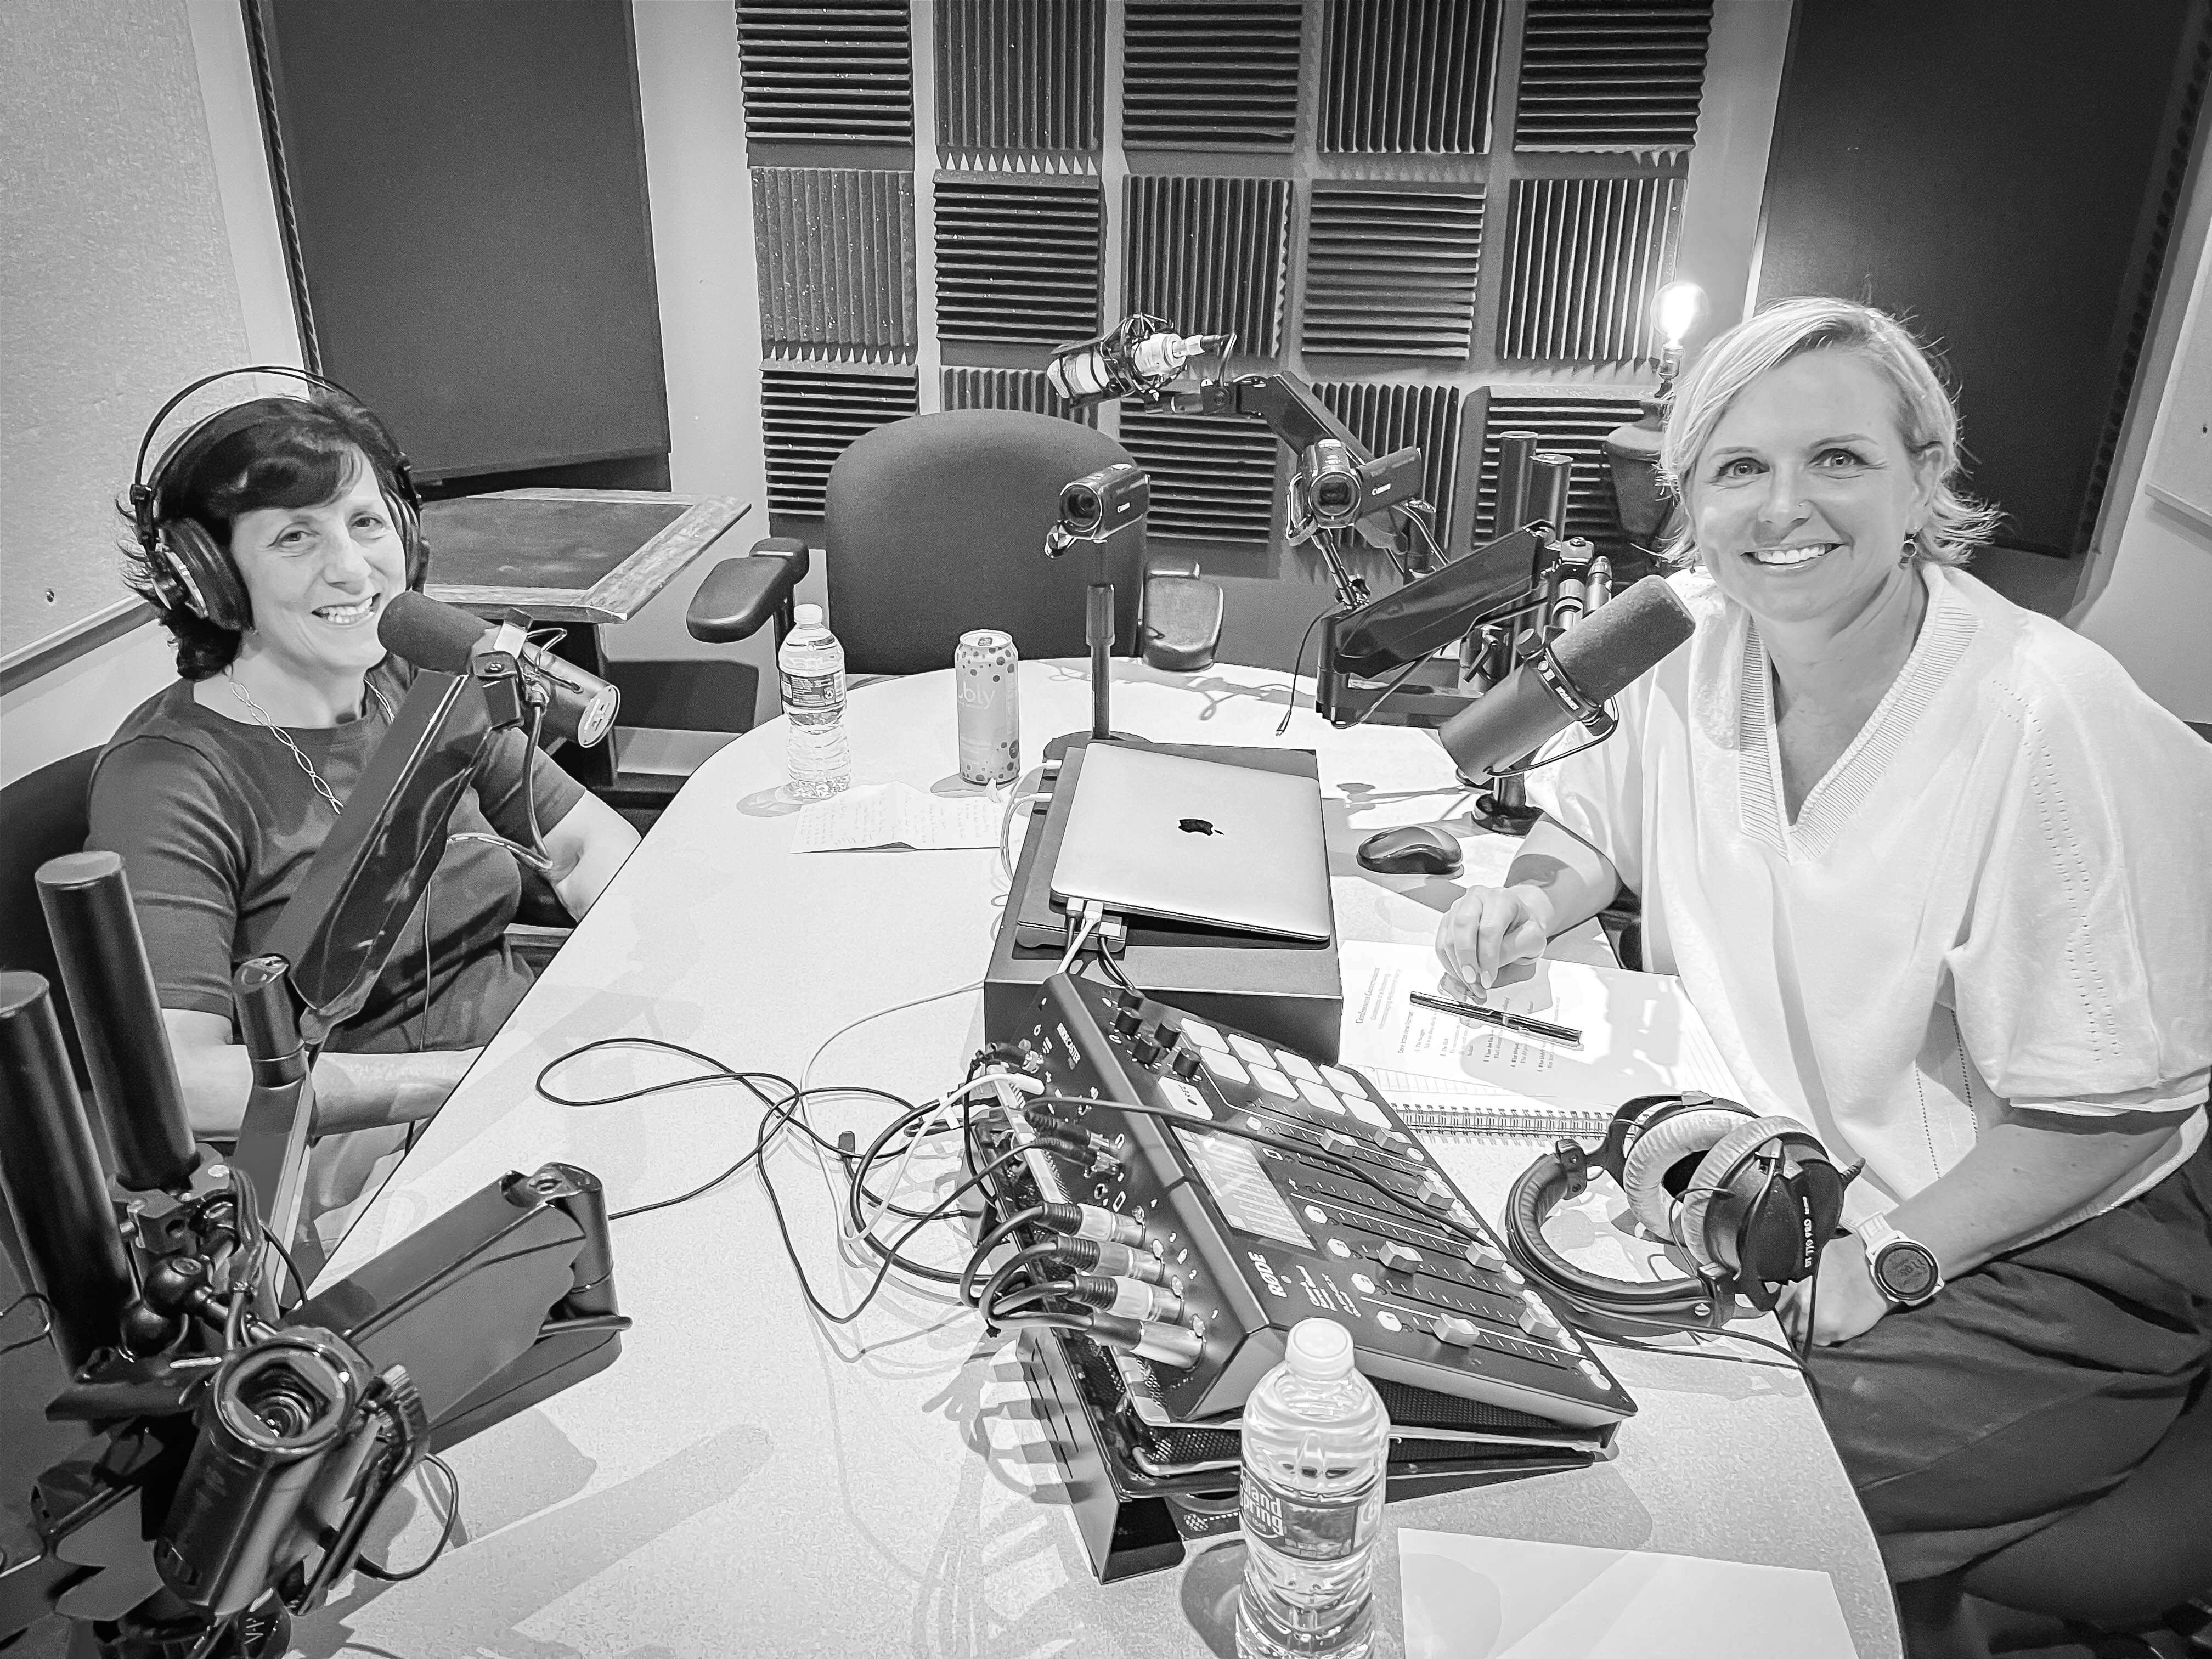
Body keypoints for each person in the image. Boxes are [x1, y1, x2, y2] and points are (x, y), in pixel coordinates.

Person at [1436, 299, 2212, 1611]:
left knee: (1680, 1509)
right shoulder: (1689, 635)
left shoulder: (2050, 720)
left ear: (1923, 480)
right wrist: (1532, 900)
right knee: (1522, 1391)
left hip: (2045, 1237)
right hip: (1788, 1180)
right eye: (1740, 467)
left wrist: (1891, 1260)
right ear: (1690, 499)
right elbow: (1593, 831)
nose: (1783, 506)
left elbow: (2115, 1116)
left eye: (1838, 458)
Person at [89, 376, 640, 1223]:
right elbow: (186, 1080)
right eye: (294, 537)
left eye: (366, 523)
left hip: (527, 1065)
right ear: (211, 579)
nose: (351, 568)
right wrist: (471, 1080)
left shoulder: (408, 677)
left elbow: (583, 842)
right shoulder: (167, 779)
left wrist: (623, 973)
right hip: (358, 1154)